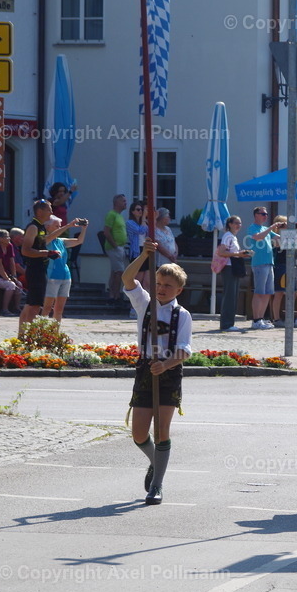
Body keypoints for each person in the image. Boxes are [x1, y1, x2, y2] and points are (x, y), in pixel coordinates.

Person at [123, 239, 193, 506]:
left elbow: (185, 350)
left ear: (179, 290)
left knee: (162, 429)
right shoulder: (144, 303)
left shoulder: (182, 315)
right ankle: (157, 462)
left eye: (168, 286)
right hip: (145, 369)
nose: (162, 289)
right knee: (139, 434)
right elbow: (127, 278)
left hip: (169, 371)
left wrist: (166, 364)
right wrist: (144, 254)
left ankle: (156, 485)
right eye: (159, 283)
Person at [19, 201, 79, 329]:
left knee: (30, 304)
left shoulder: (41, 227)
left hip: (40, 269)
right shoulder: (33, 227)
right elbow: (25, 250)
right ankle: (30, 334)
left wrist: (68, 226)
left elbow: (49, 238)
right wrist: (47, 253)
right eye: (49, 210)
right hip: (35, 269)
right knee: (35, 305)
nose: (51, 212)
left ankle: (23, 334)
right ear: (40, 211)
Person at [41, 217, 88, 322]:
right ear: (47, 227)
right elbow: (49, 238)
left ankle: (55, 330)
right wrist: (68, 226)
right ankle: (42, 329)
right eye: (56, 226)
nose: (59, 228)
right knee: (47, 307)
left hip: (65, 276)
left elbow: (79, 241)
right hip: (52, 276)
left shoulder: (61, 241)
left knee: (59, 309)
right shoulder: (45, 240)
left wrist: (84, 229)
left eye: (60, 226)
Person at [246, 207, 284, 329]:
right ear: (256, 215)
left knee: (267, 293)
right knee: (259, 292)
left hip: (269, 263)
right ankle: (256, 319)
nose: (265, 216)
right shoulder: (252, 227)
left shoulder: (265, 229)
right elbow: (258, 237)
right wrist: (272, 227)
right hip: (259, 263)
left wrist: (291, 228)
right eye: (263, 214)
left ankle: (261, 319)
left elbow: (280, 239)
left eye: (266, 214)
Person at [217, 215, 252, 332]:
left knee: (233, 296)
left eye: (240, 223)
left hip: (233, 267)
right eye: (236, 223)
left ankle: (229, 323)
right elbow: (222, 252)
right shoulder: (227, 236)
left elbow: (231, 252)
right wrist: (238, 254)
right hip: (228, 268)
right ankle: (226, 324)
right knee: (229, 296)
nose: (238, 225)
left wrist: (241, 253)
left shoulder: (233, 237)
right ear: (230, 224)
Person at [103, 194, 129, 304]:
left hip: (120, 247)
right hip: (114, 248)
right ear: (116, 203)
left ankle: (112, 295)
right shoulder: (111, 214)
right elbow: (106, 232)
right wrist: (115, 246)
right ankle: (116, 295)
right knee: (119, 272)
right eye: (123, 201)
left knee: (114, 272)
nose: (125, 203)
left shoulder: (120, 216)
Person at [125, 201, 150, 294]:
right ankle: (134, 301)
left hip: (145, 249)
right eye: (138, 209)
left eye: (142, 210)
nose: (140, 211)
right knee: (138, 279)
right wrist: (144, 218)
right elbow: (140, 231)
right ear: (132, 211)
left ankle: (145, 301)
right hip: (137, 251)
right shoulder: (129, 223)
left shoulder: (144, 222)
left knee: (146, 280)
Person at [270, 215, 289, 326]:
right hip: (279, 266)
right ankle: (276, 318)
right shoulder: (274, 237)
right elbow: (281, 244)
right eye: (283, 224)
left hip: (287, 266)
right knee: (279, 293)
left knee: (289, 292)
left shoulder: (286, 236)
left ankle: (285, 316)